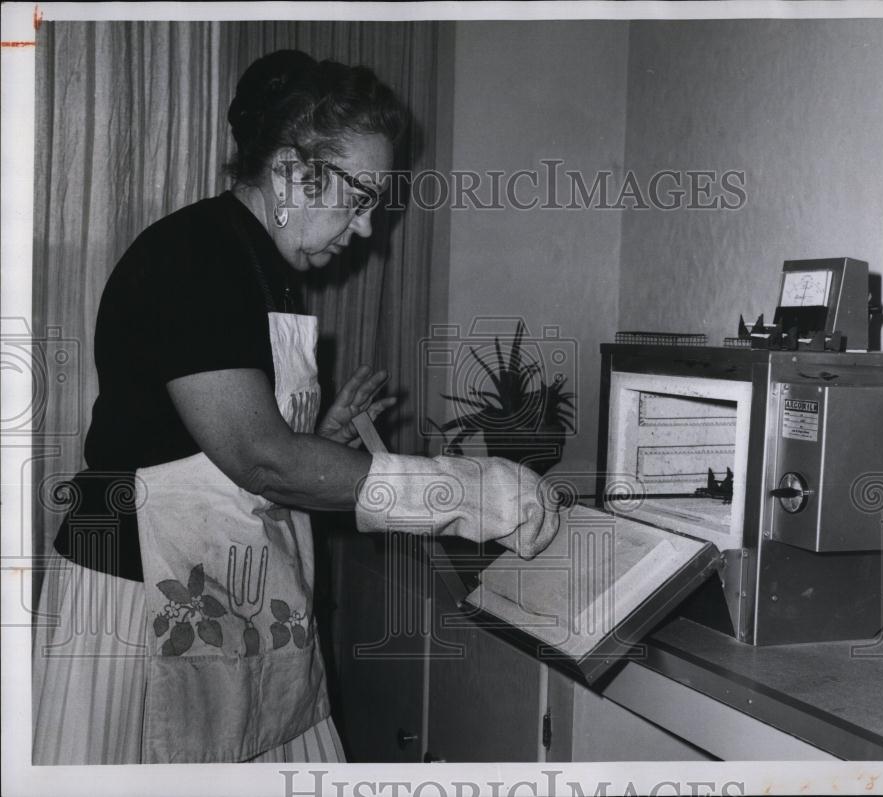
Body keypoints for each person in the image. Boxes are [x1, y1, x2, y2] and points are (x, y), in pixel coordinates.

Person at [32, 49, 561, 765]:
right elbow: (260, 458)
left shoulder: (260, 267)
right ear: (288, 172)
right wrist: (467, 490)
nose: (369, 228)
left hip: (214, 582)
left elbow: (227, 443)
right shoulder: (199, 258)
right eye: (361, 196)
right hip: (132, 594)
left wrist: (317, 438)